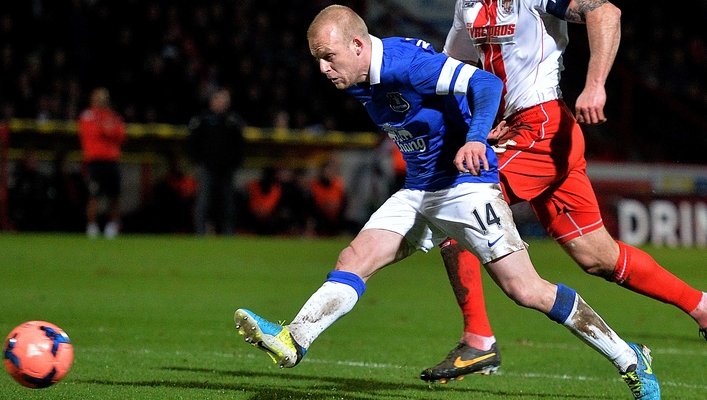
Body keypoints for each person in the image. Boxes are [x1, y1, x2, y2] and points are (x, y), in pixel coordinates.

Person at [234, 5, 659, 399]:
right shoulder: (358, 75)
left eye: (329, 56)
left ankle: (628, 357)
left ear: (358, 45)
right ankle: (293, 341)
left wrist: (475, 137)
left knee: (526, 290)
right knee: (354, 258)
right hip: (420, 190)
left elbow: (486, 83)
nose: (324, 69)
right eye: (318, 60)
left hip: (463, 187)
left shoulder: (407, 65)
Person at [420, 0, 707, 384]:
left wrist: (595, 85)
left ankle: (478, 339)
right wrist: (478, 123)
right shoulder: (467, 6)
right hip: (527, 134)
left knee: (461, 202)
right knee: (597, 256)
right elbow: (451, 70)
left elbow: (606, 12)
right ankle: (706, 308)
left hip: (543, 127)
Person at [187, 88, 245, 236]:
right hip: (207, 167)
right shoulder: (203, 120)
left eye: (223, 101)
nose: (220, 103)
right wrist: (197, 162)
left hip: (227, 169)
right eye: (217, 100)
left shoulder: (233, 121)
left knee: (228, 203)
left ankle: (228, 232)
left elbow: (240, 145)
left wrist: (236, 163)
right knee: (203, 201)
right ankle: (199, 232)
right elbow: (193, 143)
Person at [78, 87, 127, 239]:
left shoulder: (113, 116)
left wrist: (107, 131)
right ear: (92, 99)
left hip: (112, 161)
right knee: (93, 195)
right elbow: (92, 133)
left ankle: (111, 226)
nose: (101, 100)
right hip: (95, 161)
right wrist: (107, 130)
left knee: (115, 196)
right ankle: (92, 226)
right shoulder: (87, 115)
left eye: (104, 97)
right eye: (99, 97)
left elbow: (121, 135)